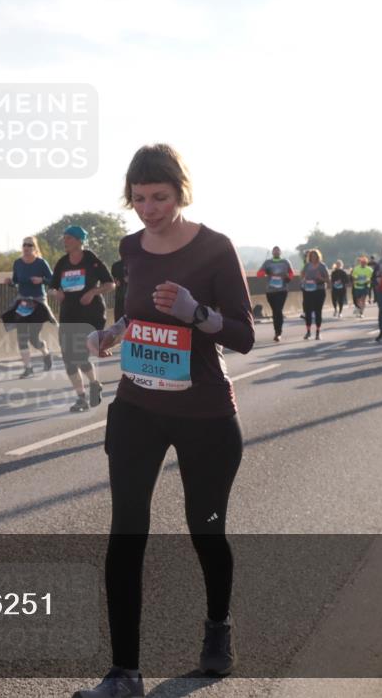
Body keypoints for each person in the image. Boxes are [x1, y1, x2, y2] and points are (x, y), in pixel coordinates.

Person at [75, 144, 254, 697]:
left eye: (160, 197)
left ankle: (218, 628)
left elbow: (244, 335)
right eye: (139, 198)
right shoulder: (130, 248)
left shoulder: (216, 248)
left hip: (204, 412)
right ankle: (123, 674)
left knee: (206, 528)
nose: (148, 210)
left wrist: (195, 313)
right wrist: (112, 334)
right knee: (126, 530)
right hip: (137, 407)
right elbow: (135, 315)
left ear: (181, 192)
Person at [48, 226, 115, 412]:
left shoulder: (91, 260)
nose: (65, 241)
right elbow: (51, 287)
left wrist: (93, 292)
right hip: (68, 315)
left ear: (79, 240)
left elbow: (110, 284)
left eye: (68, 238)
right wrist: (56, 293)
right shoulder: (62, 262)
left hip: (91, 316)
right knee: (68, 358)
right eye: (64, 238)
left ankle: (93, 384)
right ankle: (82, 397)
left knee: (79, 355)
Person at [1, 236, 54, 378]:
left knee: (33, 338)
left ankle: (46, 353)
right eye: (24, 244)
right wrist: (10, 282)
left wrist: (41, 280)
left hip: (38, 300)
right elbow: (16, 282)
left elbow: (53, 280)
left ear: (34, 248)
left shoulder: (41, 263)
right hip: (23, 301)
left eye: (30, 245)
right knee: (21, 336)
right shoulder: (18, 263)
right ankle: (28, 367)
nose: (26, 247)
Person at [256, 247, 293, 342]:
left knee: (278, 310)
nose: (276, 252)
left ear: (280, 252)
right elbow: (259, 274)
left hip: (282, 290)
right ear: (272, 252)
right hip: (270, 291)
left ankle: (278, 333)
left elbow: (291, 274)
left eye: (278, 250)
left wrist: (287, 278)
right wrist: (266, 272)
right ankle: (277, 331)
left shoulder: (285, 262)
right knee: (275, 311)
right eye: (274, 250)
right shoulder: (267, 262)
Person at [300, 249, 329, 340]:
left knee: (318, 312)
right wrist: (304, 279)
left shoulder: (322, 266)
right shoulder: (307, 265)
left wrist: (320, 278)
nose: (313, 257)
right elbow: (302, 275)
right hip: (308, 290)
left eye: (315, 256)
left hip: (319, 290)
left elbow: (327, 279)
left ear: (318, 256)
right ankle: (308, 332)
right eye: (311, 256)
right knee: (307, 312)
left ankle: (318, 332)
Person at [111, 257, 128, 323]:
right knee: (118, 319)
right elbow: (114, 278)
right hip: (119, 296)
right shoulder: (116, 265)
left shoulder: (133, 263)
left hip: (130, 297)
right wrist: (115, 281)